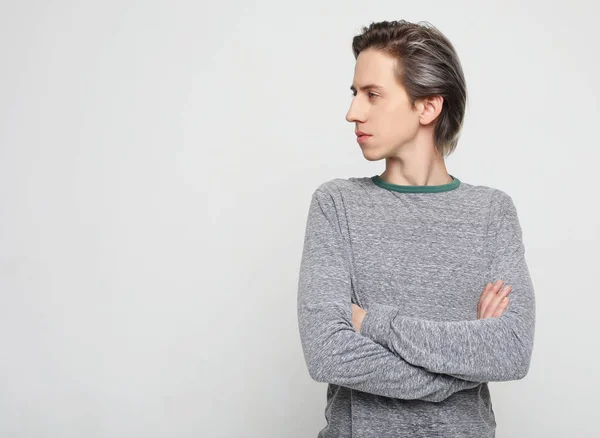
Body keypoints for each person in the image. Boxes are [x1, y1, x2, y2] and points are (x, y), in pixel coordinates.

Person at [296, 20, 536, 438]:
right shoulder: (336, 205)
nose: (353, 112)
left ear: (427, 107)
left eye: (372, 95)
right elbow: (327, 351)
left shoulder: (492, 212)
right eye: (355, 94)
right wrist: (462, 367)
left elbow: (511, 350)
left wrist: (373, 324)